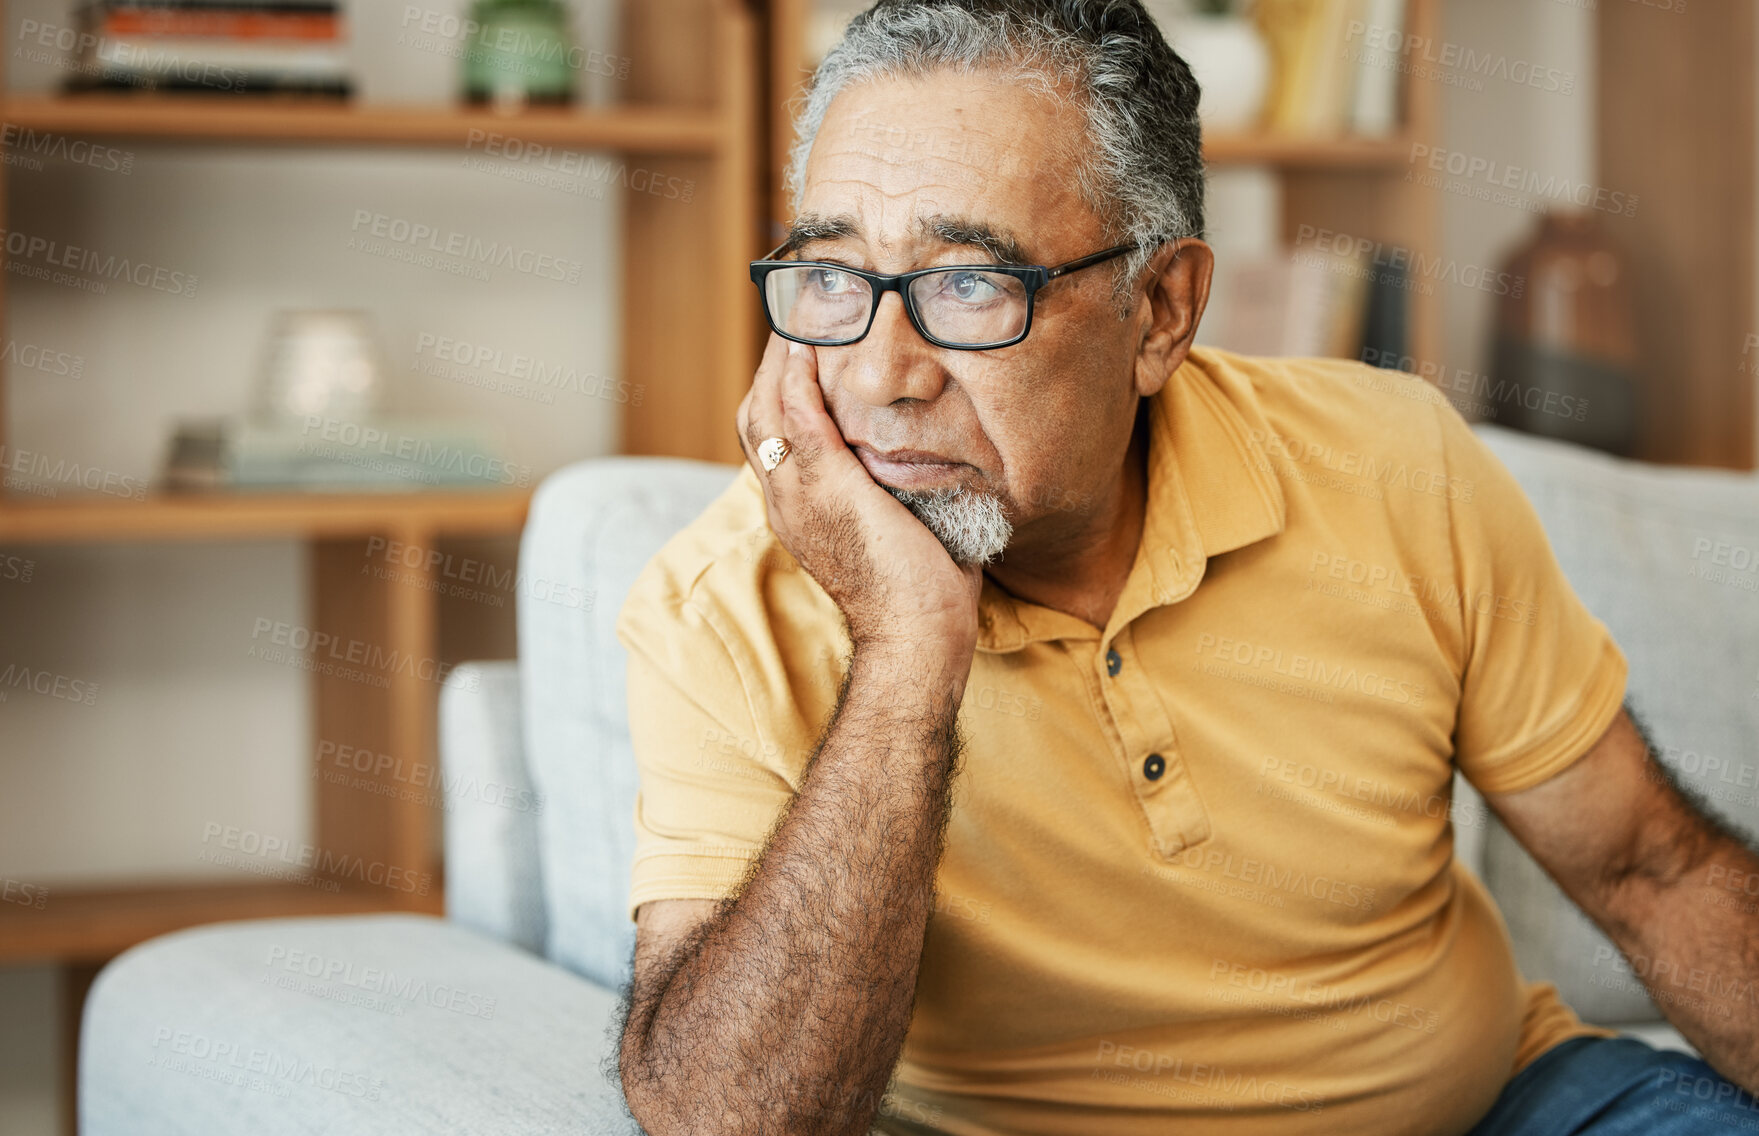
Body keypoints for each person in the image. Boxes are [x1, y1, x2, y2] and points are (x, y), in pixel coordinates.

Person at [612, 2, 1759, 1133]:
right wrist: (907, 652)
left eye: (968, 282)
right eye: (832, 276)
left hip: (1508, 1106)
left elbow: (1650, 868)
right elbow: (731, 1122)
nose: (876, 376)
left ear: (1160, 310)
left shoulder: (1395, 465)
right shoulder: (718, 606)